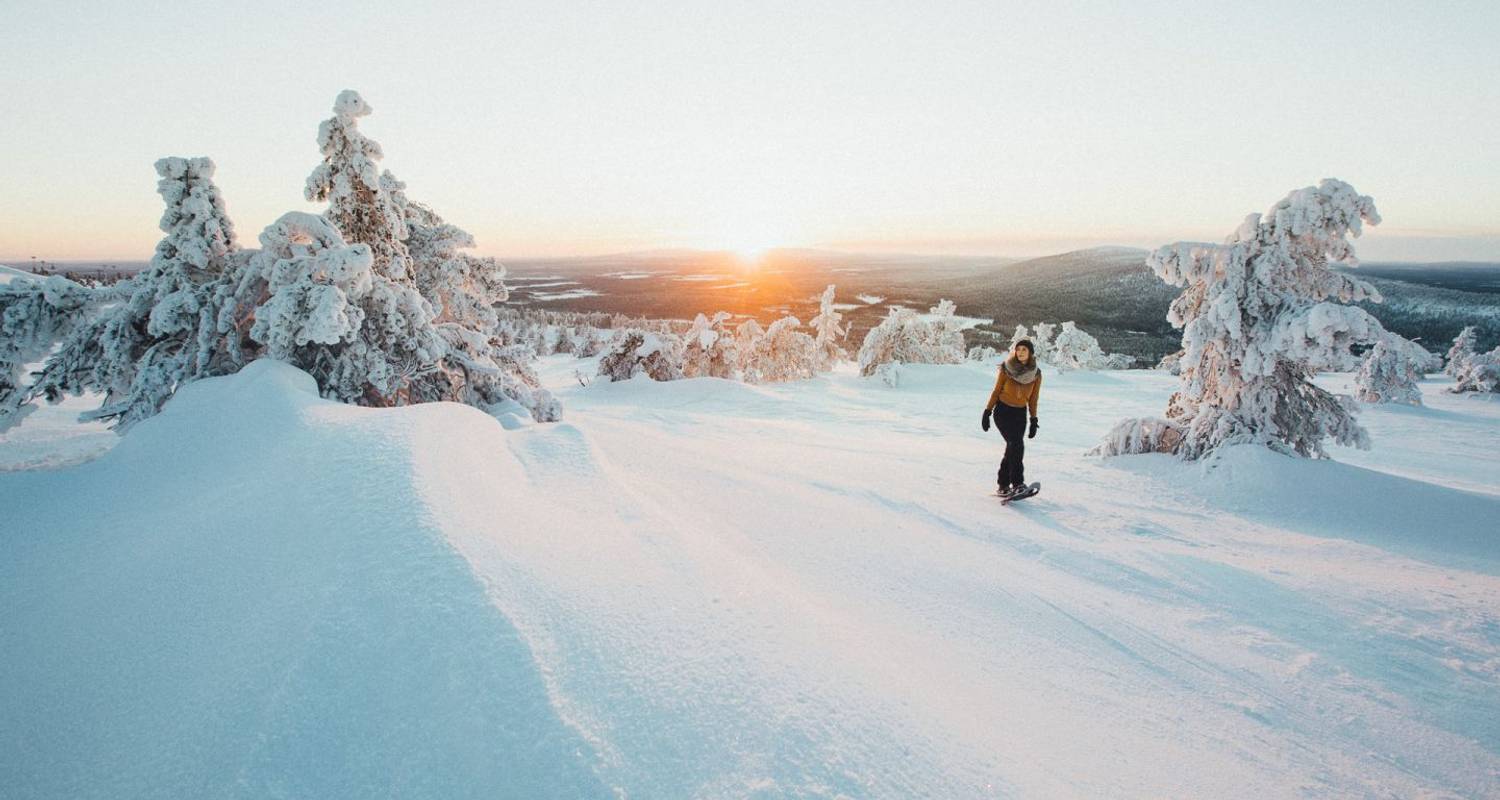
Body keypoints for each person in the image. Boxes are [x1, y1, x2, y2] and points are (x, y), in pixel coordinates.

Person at [981, 339, 1041, 496]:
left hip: (1020, 414)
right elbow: (996, 391)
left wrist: (1033, 419)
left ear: (1030, 353)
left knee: (1012, 447)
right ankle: (1018, 483)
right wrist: (987, 412)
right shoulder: (1007, 368)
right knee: (1016, 444)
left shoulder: (1036, 374)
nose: (1020, 352)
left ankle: (1003, 484)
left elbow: (1033, 399)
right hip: (1003, 411)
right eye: (1018, 349)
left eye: (1024, 350)